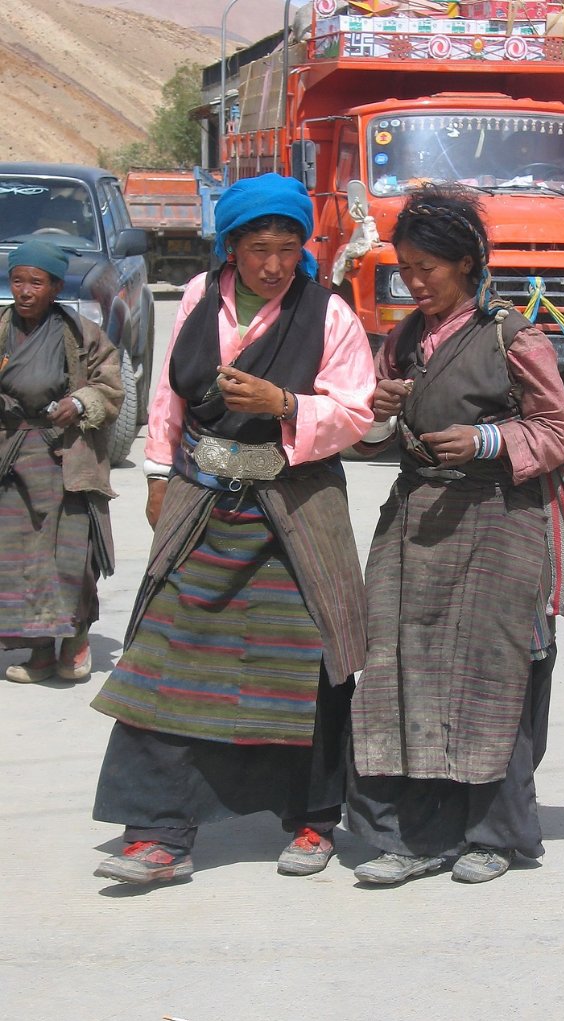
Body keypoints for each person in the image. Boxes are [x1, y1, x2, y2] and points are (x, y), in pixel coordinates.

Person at [90, 174, 376, 885]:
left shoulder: (329, 314)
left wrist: (286, 402)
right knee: (166, 657)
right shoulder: (196, 297)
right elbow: (169, 394)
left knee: (309, 660)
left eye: (288, 248)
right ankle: (159, 832)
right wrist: (159, 474)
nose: (274, 265)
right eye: (258, 249)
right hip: (204, 500)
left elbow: (357, 412)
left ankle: (313, 818)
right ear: (231, 247)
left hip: (295, 504)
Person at [347, 183, 564, 885]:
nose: (415, 281)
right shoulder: (405, 338)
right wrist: (381, 411)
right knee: (398, 669)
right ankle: (411, 838)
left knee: (488, 675)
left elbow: (559, 431)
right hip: (415, 519)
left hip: (498, 522)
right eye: (406, 268)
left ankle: (491, 837)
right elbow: (370, 441)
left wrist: (484, 440)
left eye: (429, 268)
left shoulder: (513, 334)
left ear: (469, 262)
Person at [0, 240, 123, 683]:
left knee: (73, 558)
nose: (26, 291)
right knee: (18, 559)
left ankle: (75, 644)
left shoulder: (81, 334)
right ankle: (36, 653)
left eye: (37, 282)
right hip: (10, 460)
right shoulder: (1, 327)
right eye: (19, 280)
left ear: (55, 287)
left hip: (65, 459)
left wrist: (80, 401)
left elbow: (110, 389)